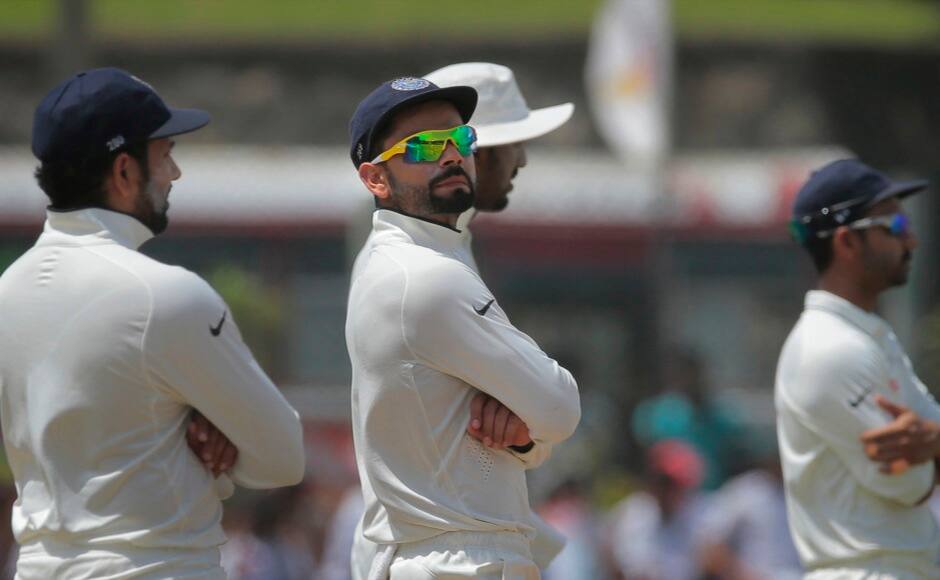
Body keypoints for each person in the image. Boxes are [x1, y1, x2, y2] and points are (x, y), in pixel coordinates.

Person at [0, 67, 305, 579]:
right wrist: (209, 438)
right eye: (165, 155)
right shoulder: (166, 295)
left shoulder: (7, 290)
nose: (175, 174)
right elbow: (283, 458)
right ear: (124, 172)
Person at [345, 76, 581, 579]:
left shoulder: (428, 255)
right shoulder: (423, 275)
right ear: (375, 179)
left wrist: (523, 433)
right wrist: (532, 420)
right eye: (428, 146)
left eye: (462, 140)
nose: (451, 154)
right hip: (457, 562)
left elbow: (536, 423)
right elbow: (561, 407)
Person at [776, 159, 940, 578]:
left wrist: (934, 440)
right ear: (846, 242)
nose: (913, 240)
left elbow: (930, 435)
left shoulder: (867, 336)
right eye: (896, 227)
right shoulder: (830, 349)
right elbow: (909, 483)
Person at [606, 440, 710, 580]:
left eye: (678, 485)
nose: (672, 492)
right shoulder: (633, 514)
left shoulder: (700, 515)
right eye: (667, 484)